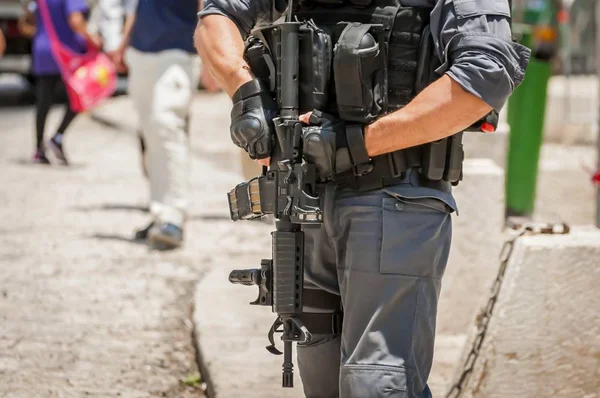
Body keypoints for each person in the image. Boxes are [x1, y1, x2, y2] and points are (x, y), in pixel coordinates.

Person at [195, 1, 530, 397]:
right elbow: (216, 18)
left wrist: (359, 143)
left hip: (394, 201)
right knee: (321, 380)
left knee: (377, 384)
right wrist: (247, 93)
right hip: (308, 200)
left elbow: (485, 76)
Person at [112, 0, 201, 250]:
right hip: (141, 53)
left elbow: (206, 6)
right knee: (150, 134)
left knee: (166, 125)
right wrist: (124, 41)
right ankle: (160, 213)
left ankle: (174, 216)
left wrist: (210, 57)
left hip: (179, 52)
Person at [21, 0, 100, 165]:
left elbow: (28, 17)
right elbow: (76, 20)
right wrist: (92, 38)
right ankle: (58, 136)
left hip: (43, 49)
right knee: (79, 96)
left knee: (43, 101)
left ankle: (38, 150)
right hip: (66, 52)